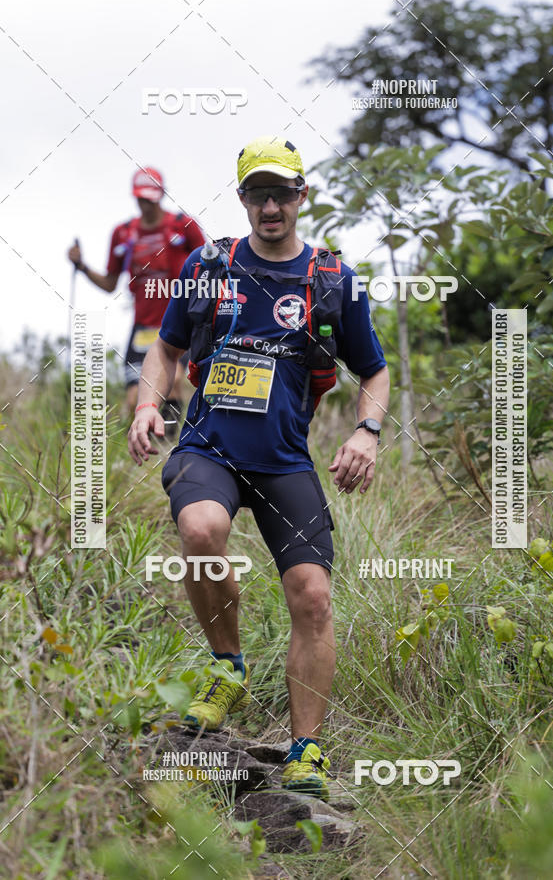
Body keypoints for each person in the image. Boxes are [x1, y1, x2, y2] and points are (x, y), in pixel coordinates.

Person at [127, 136, 390, 801]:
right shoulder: (208, 266)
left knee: (313, 594)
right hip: (207, 449)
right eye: (258, 193)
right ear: (242, 198)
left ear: (302, 197)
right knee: (201, 528)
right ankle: (228, 667)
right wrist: (147, 405)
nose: (271, 206)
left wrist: (368, 431)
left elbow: (375, 373)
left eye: (283, 193)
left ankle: (305, 749)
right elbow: (165, 349)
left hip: (282, 463)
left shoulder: (331, 281)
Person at [67, 167, 206, 428]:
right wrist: (82, 266)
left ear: (161, 196)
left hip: (179, 322)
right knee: (134, 398)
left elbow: (208, 267)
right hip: (142, 326)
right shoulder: (124, 233)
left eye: (151, 199)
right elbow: (110, 283)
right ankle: (146, 448)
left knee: (173, 380)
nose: (146, 205)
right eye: (142, 199)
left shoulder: (183, 226)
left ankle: (169, 448)